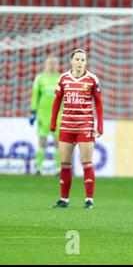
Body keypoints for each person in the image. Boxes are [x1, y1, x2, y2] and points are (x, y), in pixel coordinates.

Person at [50, 49, 103, 209]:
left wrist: (99, 125)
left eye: (83, 59)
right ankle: (64, 199)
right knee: (65, 164)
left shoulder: (92, 79)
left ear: (85, 62)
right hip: (66, 125)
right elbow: (57, 101)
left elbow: (99, 103)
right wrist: (53, 122)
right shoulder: (64, 79)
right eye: (77, 59)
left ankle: (89, 199)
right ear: (71, 61)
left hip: (85, 125)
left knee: (87, 163)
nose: (80, 62)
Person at [29, 56, 62, 175]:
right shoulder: (40, 78)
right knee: (42, 141)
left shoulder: (61, 78)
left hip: (58, 115)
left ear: (58, 65)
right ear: (45, 65)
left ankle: (58, 168)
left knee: (58, 141)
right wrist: (33, 112)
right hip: (43, 115)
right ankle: (38, 168)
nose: (52, 65)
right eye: (50, 63)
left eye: (54, 63)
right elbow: (35, 96)